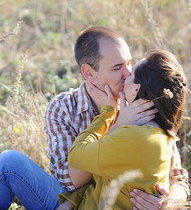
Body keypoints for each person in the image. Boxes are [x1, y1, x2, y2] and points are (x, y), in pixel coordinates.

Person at [0, 27, 188, 210]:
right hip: (67, 201)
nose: (128, 74)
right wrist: (118, 127)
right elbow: (69, 181)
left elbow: (178, 176)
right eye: (117, 68)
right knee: (9, 162)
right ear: (89, 73)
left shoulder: (142, 102)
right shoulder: (63, 108)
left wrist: (168, 203)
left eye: (129, 63)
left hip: (115, 200)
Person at [58, 49, 188, 210]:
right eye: (118, 67)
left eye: (130, 71)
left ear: (136, 89)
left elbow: (76, 156)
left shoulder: (135, 135)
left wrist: (108, 114)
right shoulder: (164, 133)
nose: (125, 75)